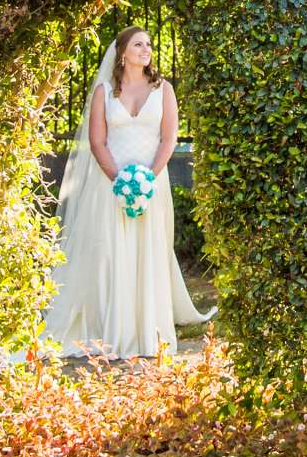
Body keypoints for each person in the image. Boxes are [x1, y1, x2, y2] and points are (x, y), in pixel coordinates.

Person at [44, 26, 210, 358]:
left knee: (149, 251)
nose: (146, 49)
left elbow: (168, 138)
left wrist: (147, 179)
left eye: (148, 44)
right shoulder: (104, 92)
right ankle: (112, 332)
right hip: (111, 184)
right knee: (110, 252)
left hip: (152, 182)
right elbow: (97, 141)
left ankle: (148, 332)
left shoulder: (164, 90)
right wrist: (119, 180)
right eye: (138, 44)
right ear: (122, 52)